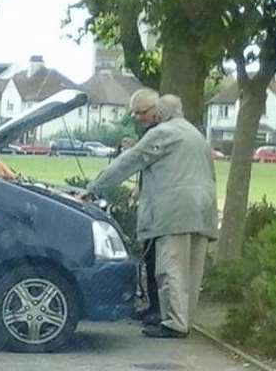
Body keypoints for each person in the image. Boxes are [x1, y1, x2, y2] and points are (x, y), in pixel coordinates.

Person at [86, 89, 218, 338]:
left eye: (141, 112)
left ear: (158, 112)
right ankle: (185, 320)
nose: (137, 117)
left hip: (176, 211)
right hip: (203, 208)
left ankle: (174, 324)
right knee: (192, 270)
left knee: (171, 267)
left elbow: (129, 161)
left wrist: (93, 187)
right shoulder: (194, 133)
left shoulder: (162, 133)